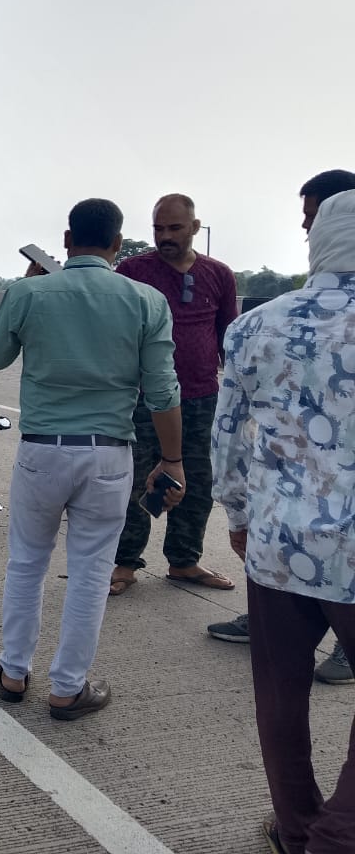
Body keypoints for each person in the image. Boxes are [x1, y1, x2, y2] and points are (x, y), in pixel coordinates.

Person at [0, 199, 184, 720]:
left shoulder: (31, 291)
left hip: (41, 451)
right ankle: (68, 689)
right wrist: (173, 459)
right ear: (118, 245)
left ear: (67, 240)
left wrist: (22, 292)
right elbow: (163, 391)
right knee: (93, 572)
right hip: (108, 456)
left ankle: (12, 672)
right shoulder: (147, 300)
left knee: (26, 564)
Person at [210, 188, 355, 854]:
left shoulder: (254, 326)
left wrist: (239, 515)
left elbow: (229, 437)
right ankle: (337, 834)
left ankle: (298, 828)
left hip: (277, 546)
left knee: (280, 694)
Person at [109, 195, 239, 596]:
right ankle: (125, 562)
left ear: (195, 227)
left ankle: (184, 561)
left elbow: (228, 338)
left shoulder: (218, 274)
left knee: (197, 481)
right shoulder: (133, 271)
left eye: (174, 228)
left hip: (201, 397)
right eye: (158, 229)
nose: (165, 236)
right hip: (145, 398)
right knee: (136, 479)